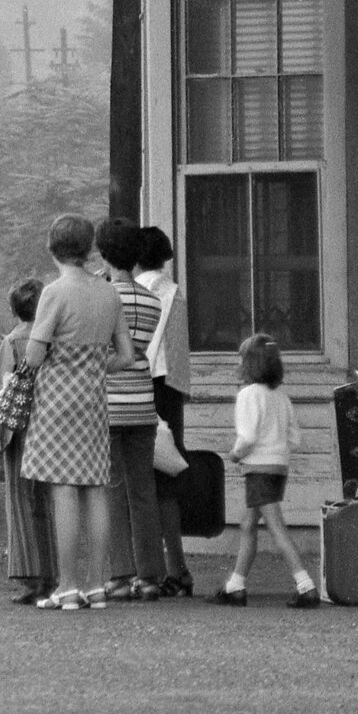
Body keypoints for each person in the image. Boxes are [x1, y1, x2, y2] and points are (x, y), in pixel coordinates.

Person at [23, 213, 137, 610]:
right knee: (95, 489)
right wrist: (91, 364)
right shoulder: (109, 293)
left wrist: (61, 358)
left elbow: (34, 355)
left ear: (52, 247)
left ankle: (67, 586)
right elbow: (127, 355)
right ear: (90, 248)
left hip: (56, 402)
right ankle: (96, 585)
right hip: (93, 400)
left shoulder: (54, 292)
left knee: (64, 489)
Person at [217, 333, 318, 608]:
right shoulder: (281, 398)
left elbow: (247, 437)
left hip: (257, 468)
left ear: (248, 364)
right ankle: (235, 585)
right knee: (248, 524)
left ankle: (306, 585)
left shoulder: (248, 395)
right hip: (278, 468)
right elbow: (295, 438)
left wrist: (235, 454)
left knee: (276, 528)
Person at [96, 216, 166, 602]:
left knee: (111, 488)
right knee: (143, 490)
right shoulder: (152, 300)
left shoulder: (105, 296)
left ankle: (120, 574)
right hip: (142, 400)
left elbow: (103, 348)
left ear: (104, 254)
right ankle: (151, 575)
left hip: (108, 401)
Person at [0, 278, 56, 604]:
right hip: (52, 427)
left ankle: (31, 577)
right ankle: (55, 573)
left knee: (20, 501)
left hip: (20, 430)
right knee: (49, 500)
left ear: (14, 310)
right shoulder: (54, 340)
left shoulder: (13, 341)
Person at [137, 225, 194, 596]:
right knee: (167, 480)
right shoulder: (176, 294)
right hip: (171, 391)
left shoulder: (136, 291)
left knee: (138, 480)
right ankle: (177, 565)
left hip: (142, 387)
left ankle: (147, 569)